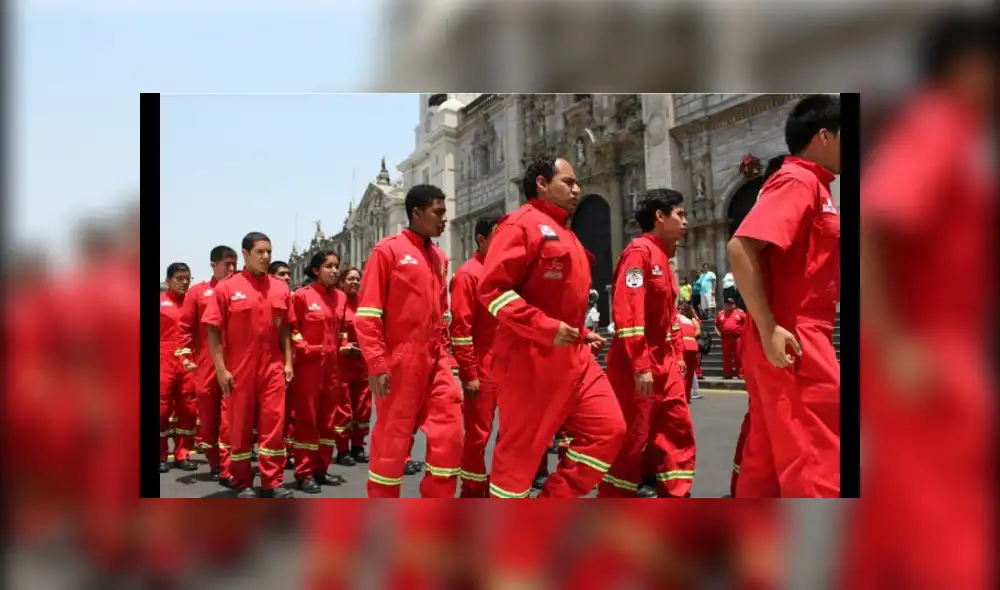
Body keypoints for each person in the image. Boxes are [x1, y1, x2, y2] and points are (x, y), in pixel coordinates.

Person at [851, 12, 994, 589]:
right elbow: (874, 227)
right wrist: (897, 344)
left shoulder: (956, 131)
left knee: (898, 511)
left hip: (937, 336)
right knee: (949, 513)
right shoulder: (939, 125)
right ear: (969, 66)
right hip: (926, 344)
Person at [478, 156, 625, 498]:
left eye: (577, 183)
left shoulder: (568, 235)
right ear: (542, 184)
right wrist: (544, 327)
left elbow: (560, 299)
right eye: (568, 182)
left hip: (575, 357)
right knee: (519, 458)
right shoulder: (520, 225)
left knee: (609, 431)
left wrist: (581, 332)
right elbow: (493, 291)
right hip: (530, 360)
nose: (577, 189)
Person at [727, 94, 841, 498]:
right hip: (794, 336)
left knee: (769, 461)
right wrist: (771, 326)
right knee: (816, 462)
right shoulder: (800, 181)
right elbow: (741, 248)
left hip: (796, 332)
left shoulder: (815, 185)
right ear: (824, 136)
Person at [354, 184, 464, 498]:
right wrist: (377, 363)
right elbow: (367, 314)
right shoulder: (387, 251)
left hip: (437, 360)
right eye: (438, 212)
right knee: (392, 443)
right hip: (400, 362)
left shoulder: (440, 258)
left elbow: (442, 315)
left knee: (450, 434)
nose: (444, 219)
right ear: (416, 213)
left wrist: (448, 360)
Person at [596, 188, 695, 498]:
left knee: (677, 430)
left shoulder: (665, 260)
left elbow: (669, 319)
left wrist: (677, 355)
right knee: (633, 440)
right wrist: (641, 365)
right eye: (680, 215)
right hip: (637, 366)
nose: (686, 222)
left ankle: (676, 495)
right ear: (659, 217)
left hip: (666, 364)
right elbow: (628, 314)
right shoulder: (639, 253)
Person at [202, 232, 296, 498]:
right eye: (260, 252)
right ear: (245, 254)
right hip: (239, 369)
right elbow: (213, 331)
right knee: (239, 426)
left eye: (269, 251)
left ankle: (272, 482)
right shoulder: (226, 289)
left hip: (273, 368)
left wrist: (288, 362)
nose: (266, 257)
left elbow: (286, 329)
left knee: (274, 425)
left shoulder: (280, 288)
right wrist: (221, 369)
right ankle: (242, 481)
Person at [287, 250, 351, 493]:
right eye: (328, 266)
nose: (335, 270)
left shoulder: (341, 298)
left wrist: (344, 344)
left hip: (334, 367)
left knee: (328, 420)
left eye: (336, 266)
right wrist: (304, 347)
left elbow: (342, 328)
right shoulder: (302, 297)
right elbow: (292, 328)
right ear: (315, 270)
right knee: (307, 421)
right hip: (309, 367)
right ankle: (304, 473)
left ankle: (321, 469)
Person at [449, 216, 501, 497]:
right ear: (481, 239)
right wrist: (469, 373)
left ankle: (502, 485)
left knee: (513, 433)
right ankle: (472, 488)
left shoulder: (504, 273)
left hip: (509, 366)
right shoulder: (468, 275)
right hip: (483, 369)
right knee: (478, 435)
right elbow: (460, 328)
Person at [176, 245, 238, 483]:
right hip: (206, 364)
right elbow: (185, 328)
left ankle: (227, 467)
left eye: (234, 263)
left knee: (229, 419)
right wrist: (185, 358)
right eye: (226, 264)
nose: (232, 269)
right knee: (209, 418)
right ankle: (214, 462)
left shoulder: (239, 291)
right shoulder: (198, 293)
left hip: (234, 363)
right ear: (213, 265)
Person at [160, 262, 197, 473]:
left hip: (188, 360)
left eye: (187, 279)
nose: (184, 283)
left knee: (189, 407)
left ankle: (182, 454)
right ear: (168, 281)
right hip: (163, 359)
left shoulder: (194, 304)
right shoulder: (160, 302)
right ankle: (161, 455)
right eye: (179, 278)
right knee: (161, 407)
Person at [336, 266, 371, 464]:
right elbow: (333, 328)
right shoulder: (338, 303)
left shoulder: (365, 303)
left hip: (363, 362)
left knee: (363, 407)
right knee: (344, 407)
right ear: (342, 282)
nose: (354, 282)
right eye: (350, 279)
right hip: (342, 362)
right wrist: (343, 344)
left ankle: (358, 446)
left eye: (357, 279)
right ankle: (342, 449)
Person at [714, 298, 747, 379]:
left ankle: (740, 374)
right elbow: (716, 325)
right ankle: (728, 374)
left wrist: (745, 333)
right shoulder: (721, 314)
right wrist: (718, 333)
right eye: (727, 304)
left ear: (734, 305)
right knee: (726, 357)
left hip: (737, 338)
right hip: (725, 338)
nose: (729, 305)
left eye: (730, 303)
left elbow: (747, 323)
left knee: (738, 356)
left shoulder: (740, 313)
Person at [677, 303, 700, 403]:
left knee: (682, 372)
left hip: (683, 346)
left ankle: (682, 397)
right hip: (693, 346)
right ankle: (687, 396)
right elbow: (697, 331)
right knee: (690, 373)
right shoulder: (690, 320)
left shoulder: (676, 318)